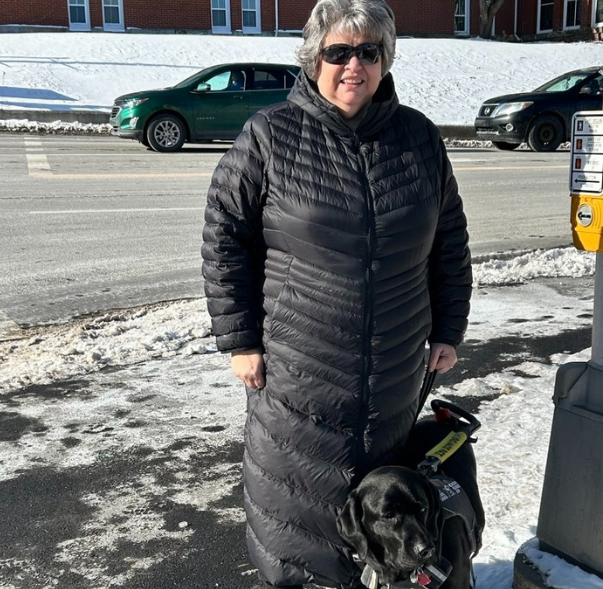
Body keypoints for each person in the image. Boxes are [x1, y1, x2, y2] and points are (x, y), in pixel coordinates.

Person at [201, 0, 472, 587]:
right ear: (314, 58)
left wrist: (449, 328)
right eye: (339, 52)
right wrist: (240, 339)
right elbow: (225, 236)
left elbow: (448, 238)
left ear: (385, 61)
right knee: (295, 512)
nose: (354, 65)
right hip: (301, 369)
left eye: (369, 52)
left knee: (381, 512)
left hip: (395, 372)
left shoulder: (419, 138)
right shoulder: (270, 136)